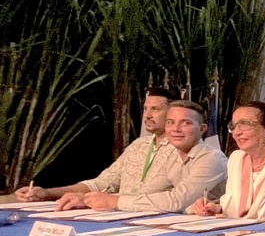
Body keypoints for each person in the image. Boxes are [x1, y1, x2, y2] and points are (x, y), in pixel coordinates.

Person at [14, 87, 178, 209]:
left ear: (174, 113)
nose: (147, 115)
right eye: (145, 109)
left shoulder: (182, 149)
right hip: (118, 217)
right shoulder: (138, 146)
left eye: (155, 109)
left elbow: (153, 195)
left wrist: (90, 200)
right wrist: (46, 193)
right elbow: (100, 183)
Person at [80, 100, 227, 212]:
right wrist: (88, 199)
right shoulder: (173, 156)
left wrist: (114, 202)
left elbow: (176, 201)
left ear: (202, 129)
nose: (175, 129)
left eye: (185, 123)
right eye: (170, 122)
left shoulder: (211, 158)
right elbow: (146, 193)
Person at [191, 101, 265, 227]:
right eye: (234, 126)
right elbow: (232, 207)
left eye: (244, 124)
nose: (236, 132)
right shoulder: (236, 158)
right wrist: (216, 208)